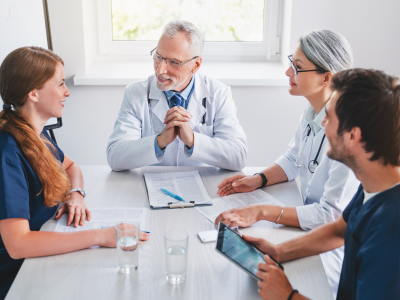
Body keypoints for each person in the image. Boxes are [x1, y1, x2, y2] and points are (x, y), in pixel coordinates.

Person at [215, 30, 359, 297]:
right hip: (305, 228)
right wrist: (258, 179)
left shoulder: (348, 133)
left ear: (326, 77)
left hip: (329, 252)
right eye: (292, 61)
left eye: (298, 66)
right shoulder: (312, 109)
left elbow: (330, 217)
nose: (288, 72)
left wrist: (262, 211)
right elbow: (294, 159)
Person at [0, 47, 149, 299]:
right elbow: (18, 244)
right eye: (60, 84)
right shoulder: (7, 152)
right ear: (33, 93)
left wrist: (75, 194)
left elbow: (70, 166)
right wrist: (101, 235)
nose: (67, 91)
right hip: (17, 275)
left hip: (42, 252)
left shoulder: (35, 133)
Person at [246, 68, 400, 300]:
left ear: (352, 136)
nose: (323, 123)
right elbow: (341, 229)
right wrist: (279, 251)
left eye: (328, 117)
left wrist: (288, 296)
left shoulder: (390, 232)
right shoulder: (374, 182)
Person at [106, 20, 247, 171]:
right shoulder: (135, 94)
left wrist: (193, 140)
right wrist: (159, 142)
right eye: (158, 57)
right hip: (151, 185)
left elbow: (238, 157)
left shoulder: (218, 94)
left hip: (203, 185)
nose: (160, 70)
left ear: (196, 65)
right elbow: (115, 157)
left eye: (173, 62)